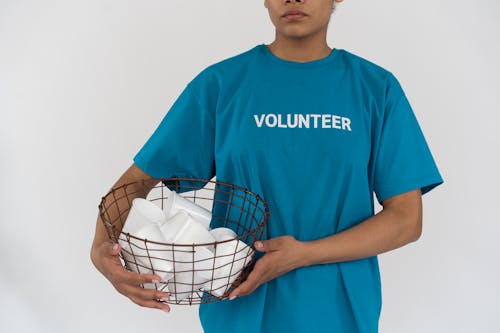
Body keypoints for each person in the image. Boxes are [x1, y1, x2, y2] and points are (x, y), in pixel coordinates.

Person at [90, 0, 444, 332]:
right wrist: (100, 251)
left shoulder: (375, 89)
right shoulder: (221, 86)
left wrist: (303, 254)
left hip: (339, 312)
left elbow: (406, 220)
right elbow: (136, 183)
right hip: (241, 310)